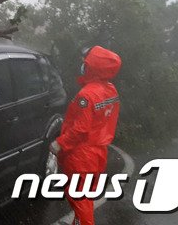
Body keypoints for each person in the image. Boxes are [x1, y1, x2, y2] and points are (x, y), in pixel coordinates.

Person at [49, 45, 122, 225]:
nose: (82, 65)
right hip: (98, 152)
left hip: (81, 154)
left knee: (79, 197)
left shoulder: (87, 94)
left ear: (93, 67)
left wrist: (59, 144)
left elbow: (80, 129)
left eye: (86, 63)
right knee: (85, 195)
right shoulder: (110, 90)